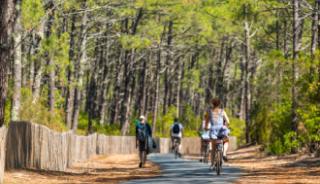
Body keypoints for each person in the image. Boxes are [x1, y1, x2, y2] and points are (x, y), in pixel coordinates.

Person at [205, 98, 230, 162]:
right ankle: (224, 153)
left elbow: (206, 122)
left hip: (213, 130)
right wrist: (225, 126)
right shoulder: (222, 111)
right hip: (222, 129)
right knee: (226, 141)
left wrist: (206, 127)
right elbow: (228, 121)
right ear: (219, 104)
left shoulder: (209, 111)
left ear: (212, 104)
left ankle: (212, 163)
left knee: (213, 147)